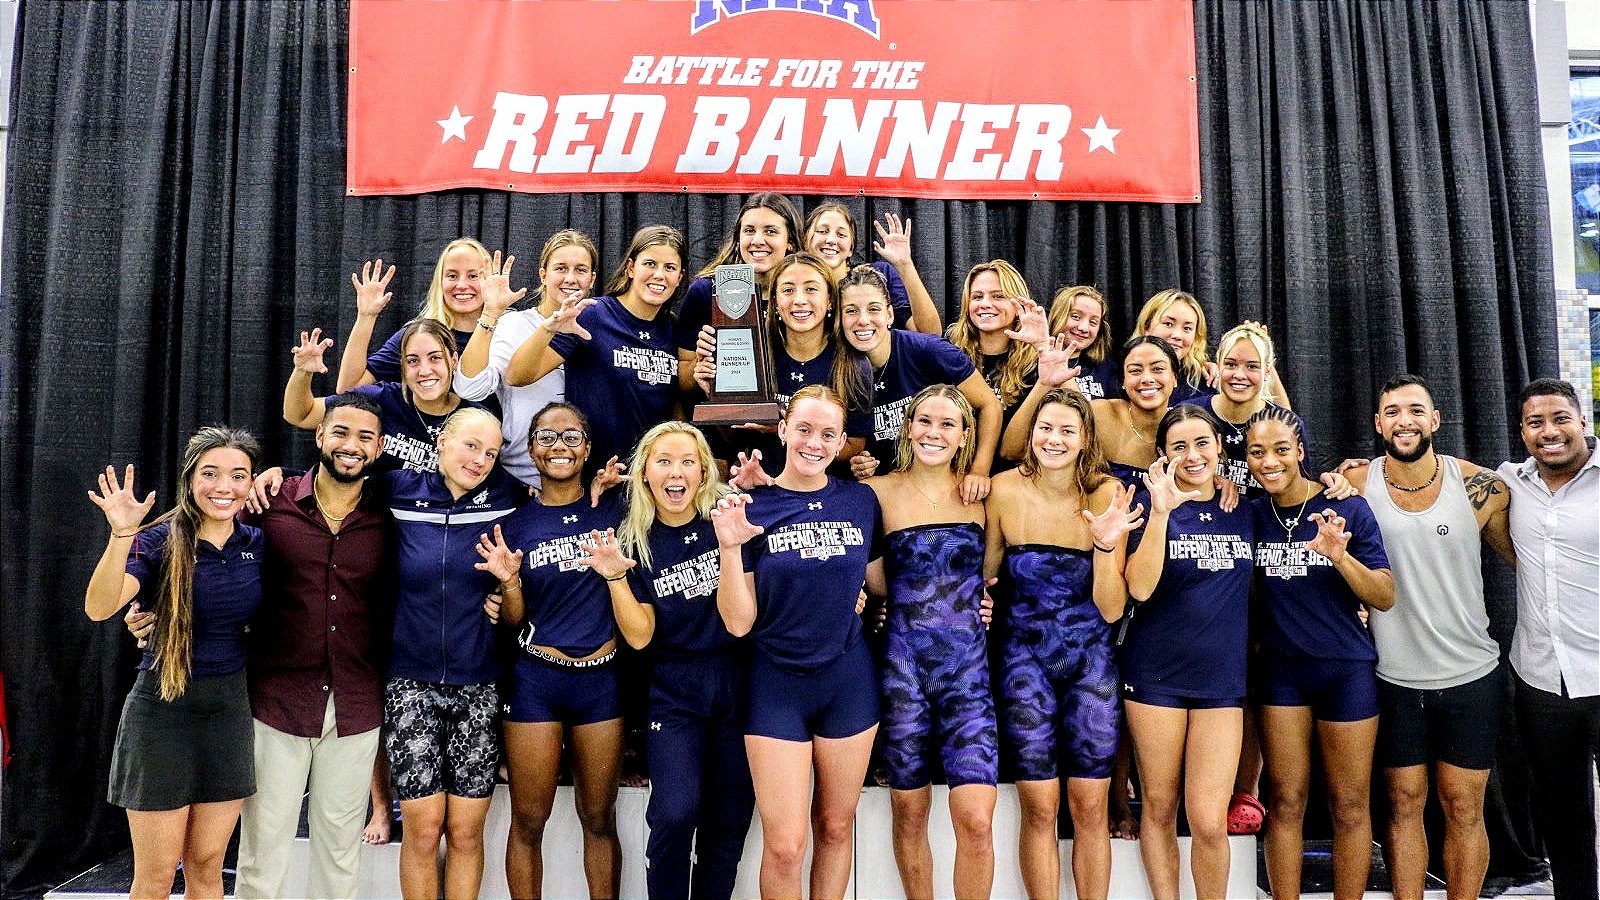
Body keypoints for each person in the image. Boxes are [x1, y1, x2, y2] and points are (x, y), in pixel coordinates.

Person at [1335, 374, 1511, 900]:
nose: (1403, 420)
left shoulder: (1481, 486)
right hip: (1391, 676)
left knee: (1462, 804)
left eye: (1415, 410)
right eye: (1392, 412)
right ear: (1378, 424)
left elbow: (1529, 559)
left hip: (1471, 674)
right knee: (1404, 802)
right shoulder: (1355, 483)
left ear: (1436, 420)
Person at [710, 384, 882, 899]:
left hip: (847, 681)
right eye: (804, 429)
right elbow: (739, 622)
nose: (814, 443)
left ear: (840, 442)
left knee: (835, 826)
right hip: (776, 685)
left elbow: (880, 584)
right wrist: (728, 546)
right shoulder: (751, 507)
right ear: (782, 430)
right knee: (786, 844)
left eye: (828, 434)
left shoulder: (860, 501)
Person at [86, 427, 264, 900]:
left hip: (227, 716)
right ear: (189, 480)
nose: (224, 486)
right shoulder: (160, 539)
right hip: (161, 715)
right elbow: (100, 607)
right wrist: (123, 533)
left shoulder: (258, 544)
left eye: (238, 475)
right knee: (158, 874)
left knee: (207, 867)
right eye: (211, 473)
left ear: (250, 485)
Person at [589, 421, 754, 900]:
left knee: (726, 825)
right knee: (674, 815)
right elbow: (640, 638)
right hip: (674, 691)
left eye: (687, 461)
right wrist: (616, 579)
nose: (675, 472)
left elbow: (747, 615)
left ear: (704, 472)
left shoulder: (726, 520)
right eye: (663, 461)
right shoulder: (634, 540)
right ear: (644, 473)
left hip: (736, 684)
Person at [985, 388, 1139, 900]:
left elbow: (1113, 608)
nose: (1053, 439)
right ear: (1031, 434)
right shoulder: (1003, 490)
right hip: (1022, 662)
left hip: (1090, 664)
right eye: (1045, 428)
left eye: (1066, 430)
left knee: (1090, 807)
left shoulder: (1107, 495)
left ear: (1085, 439)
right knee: (1039, 807)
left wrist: (1102, 544)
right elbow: (985, 575)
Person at [475, 402, 627, 900]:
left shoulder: (617, 512)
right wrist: (511, 583)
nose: (559, 446)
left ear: (587, 448)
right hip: (537, 679)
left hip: (600, 680)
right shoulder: (515, 525)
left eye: (570, 437)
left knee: (599, 818)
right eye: (546, 437)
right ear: (531, 450)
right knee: (529, 819)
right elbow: (512, 622)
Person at [1245, 405, 1394, 900]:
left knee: (1349, 804)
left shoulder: (1346, 507)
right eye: (1257, 451)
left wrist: (1340, 556)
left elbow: (1384, 595)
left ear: (1301, 452)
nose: (1269, 461)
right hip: (1280, 674)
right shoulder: (1249, 514)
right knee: (1284, 801)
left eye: (1281, 450)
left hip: (1345, 672)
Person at [380, 407, 525, 900]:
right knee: (422, 831)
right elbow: (330, 484)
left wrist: (508, 588)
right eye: (470, 446)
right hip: (410, 686)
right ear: (441, 442)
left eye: (491, 452)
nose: (481, 459)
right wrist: (274, 475)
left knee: (464, 833)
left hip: (478, 686)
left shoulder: (509, 496)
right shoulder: (396, 489)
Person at [864, 385, 998, 899]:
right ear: (907, 426)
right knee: (910, 810)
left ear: (965, 435)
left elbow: (1000, 574)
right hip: (903, 674)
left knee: (976, 819)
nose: (934, 433)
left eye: (947, 424)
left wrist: (990, 602)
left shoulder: (982, 494)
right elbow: (874, 582)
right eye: (924, 421)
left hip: (969, 677)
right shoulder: (877, 493)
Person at [1121, 405, 1254, 900]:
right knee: (1158, 804)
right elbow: (1138, 588)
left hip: (1221, 681)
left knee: (1207, 820)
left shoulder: (1247, 508)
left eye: (1202, 443)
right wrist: (1160, 511)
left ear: (1220, 448)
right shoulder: (1147, 507)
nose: (1193, 455)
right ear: (1162, 456)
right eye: (1179, 446)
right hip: (1154, 676)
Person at [1495, 378, 1598, 900]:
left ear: (1583, 421)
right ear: (1522, 431)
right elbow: (1444, 476)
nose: (1549, 432)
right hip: (1542, 677)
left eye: (1560, 418)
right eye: (1536, 423)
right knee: (1563, 814)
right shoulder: (1511, 481)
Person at [506, 225, 692, 478]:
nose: (659, 275)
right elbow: (517, 376)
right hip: (596, 479)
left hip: (648, 481)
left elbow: (673, 406)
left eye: (669, 268)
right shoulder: (594, 315)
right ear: (630, 268)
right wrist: (549, 328)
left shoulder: (672, 329)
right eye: (650, 263)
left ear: (679, 277)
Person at [693, 252, 870, 475]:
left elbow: (854, 446)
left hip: (825, 492)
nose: (799, 299)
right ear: (775, 303)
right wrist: (717, 394)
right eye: (788, 290)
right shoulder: (753, 352)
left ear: (830, 300)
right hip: (763, 485)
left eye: (811, 289)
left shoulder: (852, 363)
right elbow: (734, 438)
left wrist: (786, 430)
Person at [835, 264, 1001, 502]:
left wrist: (980, 471)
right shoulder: (840, 367)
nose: (863, 320)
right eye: (851, 311)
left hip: (943, 486)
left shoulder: (927, 350)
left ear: (889, 315)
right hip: (885, 492)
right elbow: (854, 444)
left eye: (873, 309)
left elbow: (990, 405)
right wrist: (859, 463)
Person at [454, 230, 599, 485]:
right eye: (561, 268)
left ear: (592, 278)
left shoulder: (599, 324)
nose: (570, 278)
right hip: (522, 478)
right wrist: (491, 312)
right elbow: (470, 388)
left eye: (580, 270)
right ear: (543, 274)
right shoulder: (515, 324)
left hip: (584, 478)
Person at [285, 318, 483, 473]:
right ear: (402, 367)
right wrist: (303, 371)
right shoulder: (380, 398)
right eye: (413, 361)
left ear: (454, 360)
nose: (424, 371)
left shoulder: (476, 418)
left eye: (435, 358)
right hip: (374, 519)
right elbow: (301, 415)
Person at [336, 239, 491, 390]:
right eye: (452, 276)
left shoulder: (507, 332)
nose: (462, 285)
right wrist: (366, 316)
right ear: (439, 282)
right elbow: (348, 388)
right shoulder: (418, 336)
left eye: (473, 276)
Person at [802, 201, 941, 333]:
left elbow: (930, 333)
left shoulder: (880, 275)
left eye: (841, 235)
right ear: (806, 240)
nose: (831, 240)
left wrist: (905, 265)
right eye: (822, 231)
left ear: (851, 248)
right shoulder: (793, 285)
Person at [945, 259, 1040, 438]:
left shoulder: (1036, 360)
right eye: (977, 297)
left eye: (998, 296)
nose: (985, 304)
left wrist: (1043, 346)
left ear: (1018, 303)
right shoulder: (950, 347)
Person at [1208, 322, 1303, 497]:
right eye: (1230, 364)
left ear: (1267, 370)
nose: (1239, 375)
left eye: (1252, 366)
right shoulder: (1193, 414)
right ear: (1218, 364)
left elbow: (1301, 487)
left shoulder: (1286, 422)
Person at [1047, 285, 1119, 400]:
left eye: (1093, 322)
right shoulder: (1032, 363)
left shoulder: (1106, 368)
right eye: (1075, 316)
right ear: (1057, 316)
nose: (1084, 328)